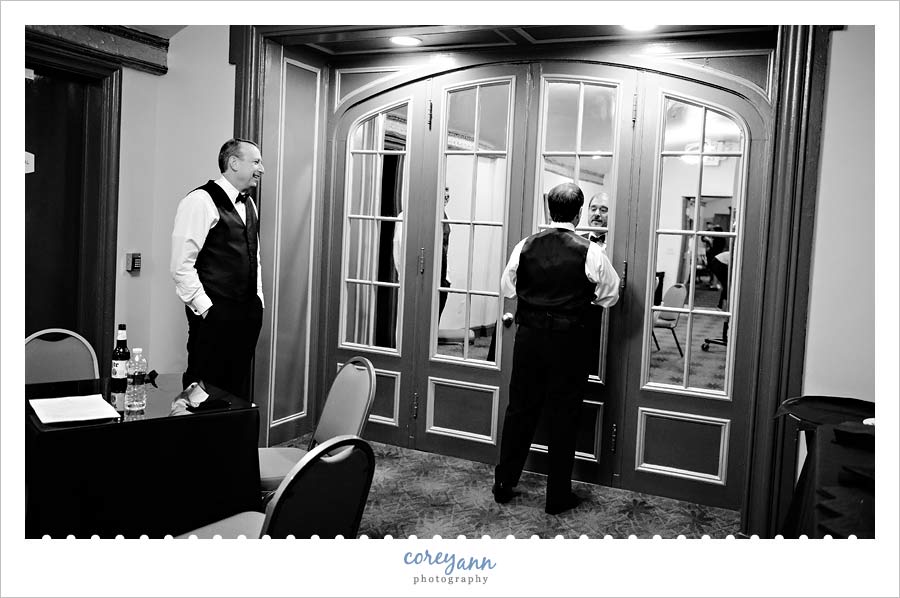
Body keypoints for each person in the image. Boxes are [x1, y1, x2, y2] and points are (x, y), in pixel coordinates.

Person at [493, 182, 620, 515]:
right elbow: (611, 295)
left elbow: (507, 288)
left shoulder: (525, 245)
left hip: (529, 340)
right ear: (578, 213)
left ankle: (504, 483)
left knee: (520, 410)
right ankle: (557, 496)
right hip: (569, 342)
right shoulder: (591, 252)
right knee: (564, 415)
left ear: (550, 210)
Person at [171, 138, 265, 400]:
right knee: (201, 393)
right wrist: (207, 309)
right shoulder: (200, 201)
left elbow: (254, 257)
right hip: (213, 316)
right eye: (256, 162)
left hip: (247, 316)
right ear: (234, 163)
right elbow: (181, 265)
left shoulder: (250, 204)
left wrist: (258, 301)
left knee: (235, 393)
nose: (261, 169)